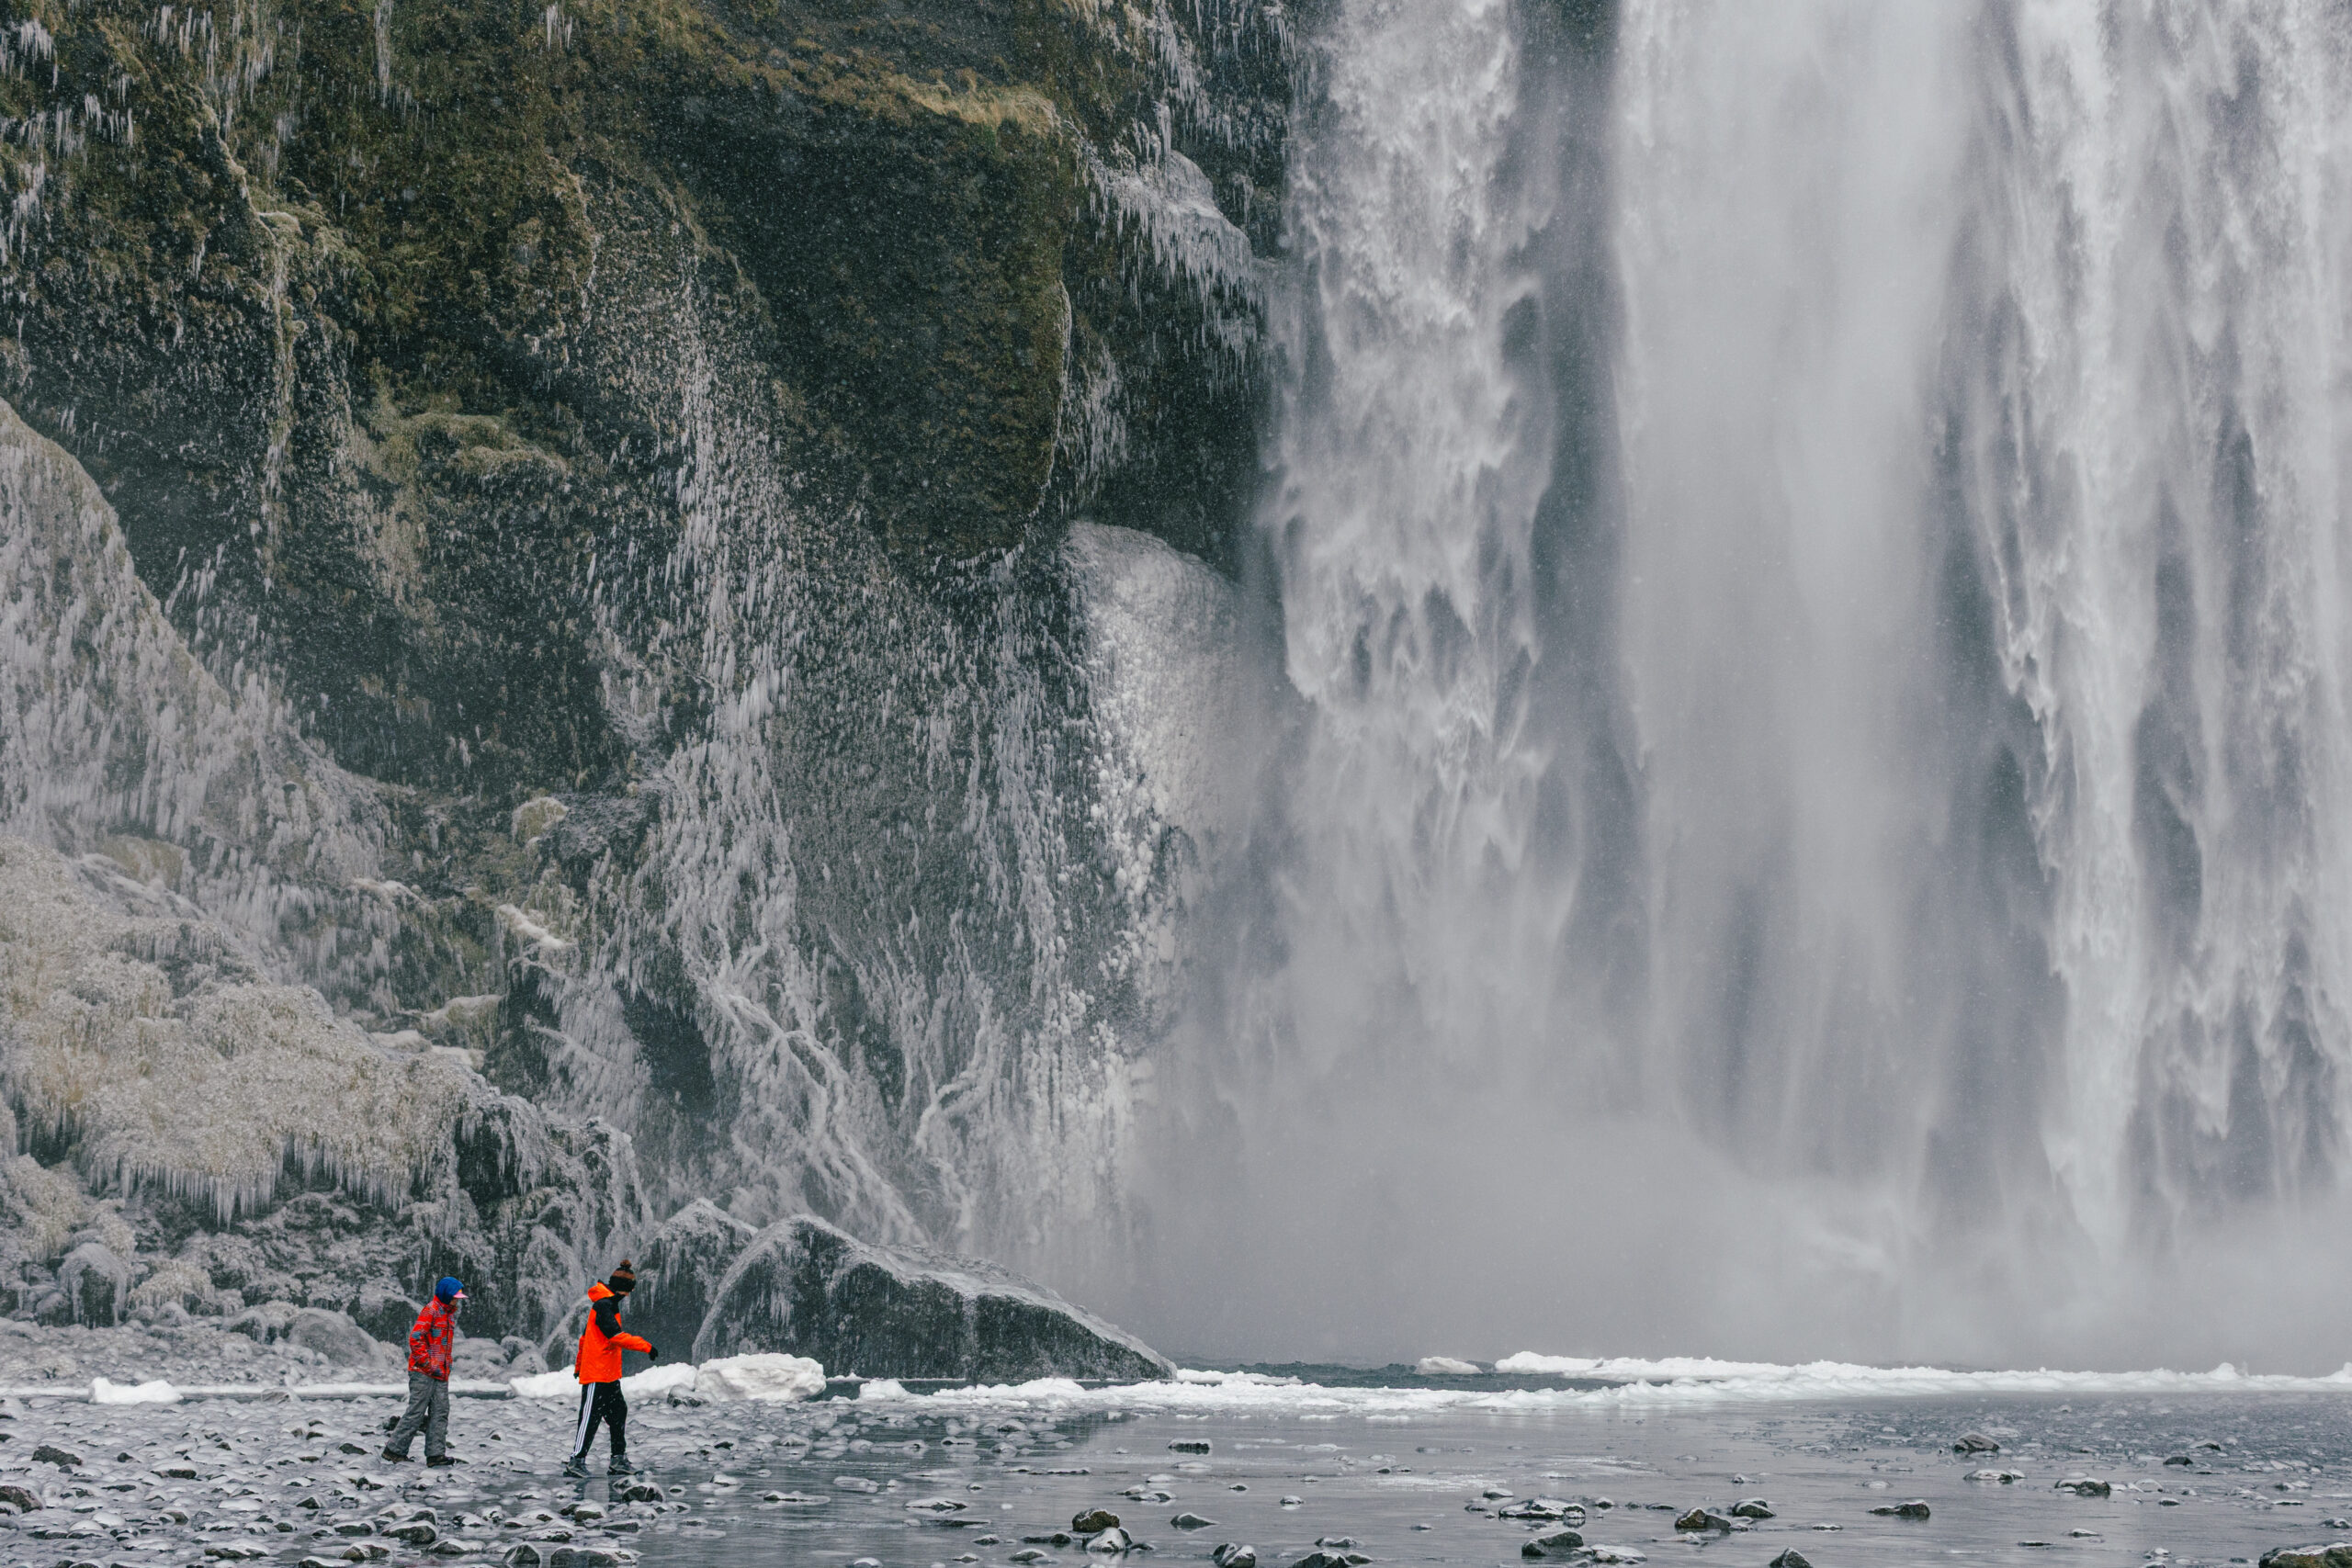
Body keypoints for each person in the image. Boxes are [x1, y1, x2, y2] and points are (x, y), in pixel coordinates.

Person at [563, 1259, 660, 1478]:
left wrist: (579, 1365)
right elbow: (615, 1337)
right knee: (589, 1418)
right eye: (629, 1291)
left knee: (618, 1413)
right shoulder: (603, 1306)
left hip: (609, 1375)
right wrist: (646, 1347)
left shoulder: (608, 1304)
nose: (629, 1296)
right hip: (597, 1375)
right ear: (624, 1291)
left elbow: (585, 1339)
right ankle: (576, 1462)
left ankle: (618, 1460)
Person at [382, 1277, 466, 1466]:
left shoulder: (448, 1314)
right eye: (455, 1296)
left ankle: (435, 1455)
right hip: (423, 1372)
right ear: (446, 1295)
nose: (458, 1300)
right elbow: (415, 1338)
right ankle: (394, 1450)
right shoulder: (431, 1311)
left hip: (441, 1373)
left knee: (441, 1412)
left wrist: (445, 1366)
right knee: (416, 1412)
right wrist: (428, 1364)